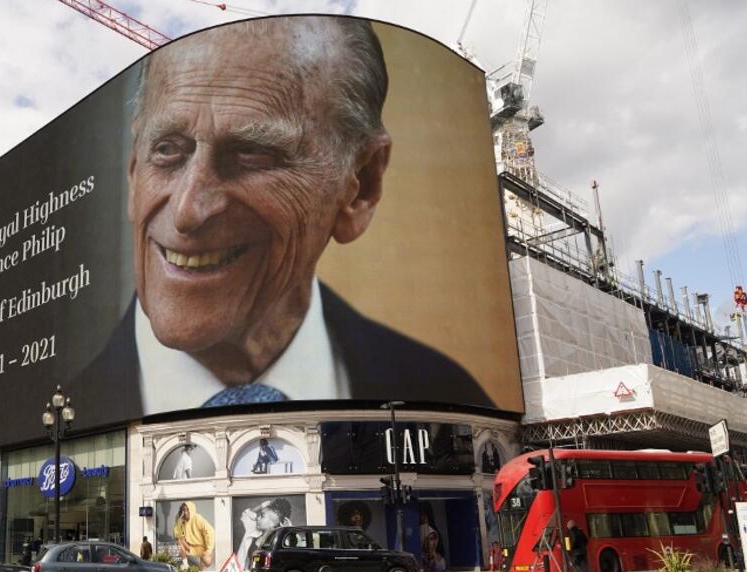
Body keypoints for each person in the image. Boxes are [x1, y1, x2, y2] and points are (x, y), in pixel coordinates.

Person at [71, 16, 492, 419]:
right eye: (167, 150)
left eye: (250, 154)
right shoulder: (57, 420)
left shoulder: (448, 395)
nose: (187, 211)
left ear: (360, 185)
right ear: (133, 171)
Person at [237, 498, 293, 571]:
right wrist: (262, 506)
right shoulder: (253, 531)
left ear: (273, 523)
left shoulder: (281, 542)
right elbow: (246, 515)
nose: (257, 518)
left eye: (262, 516)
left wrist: (287, 526)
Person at [174, 501, 215, 569]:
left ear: (191, 509)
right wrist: (179, 521)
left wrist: (209, 550)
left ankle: (201, 567)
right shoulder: (181, 521)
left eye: (188, 510)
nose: (186, 512)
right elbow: (177, 534)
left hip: (202, 547)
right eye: (184, 510)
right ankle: (185, 565)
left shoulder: (197, 518)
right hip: (190, 547)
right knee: (179, 540)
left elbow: (210, 531)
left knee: (207, 561)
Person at [420, 507, 446, 572]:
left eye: (434, 538)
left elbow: (441, 569)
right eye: (430, 539)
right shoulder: (419, 557)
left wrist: (435, 559)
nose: (433, 542)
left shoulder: (439, 558)